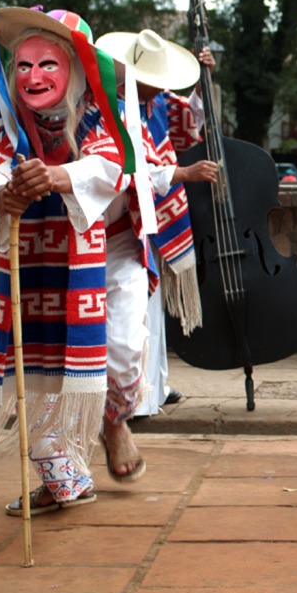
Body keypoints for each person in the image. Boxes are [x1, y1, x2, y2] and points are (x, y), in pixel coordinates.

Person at [0, 7, 124, 514]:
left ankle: (70, 474)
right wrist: (4, 192)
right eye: (24, 65)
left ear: (72, 69)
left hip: (77, 265)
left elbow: (109, 165)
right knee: (30, 380)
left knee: (69, 378)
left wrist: (58, 177)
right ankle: (66, 480)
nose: (34, 76)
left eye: (48, 64)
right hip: (24, 262)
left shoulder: (95, 113)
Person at [90, 29, 217, 481]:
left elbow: (191, 124)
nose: (159, 87)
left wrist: (202, 80)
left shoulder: (157, 104)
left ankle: (139, 399)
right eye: (151, 78)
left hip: (136, 229)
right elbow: (120, 168)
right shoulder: (93, 107)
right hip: (79, 236)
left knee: (134, 334)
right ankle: (100, 430)